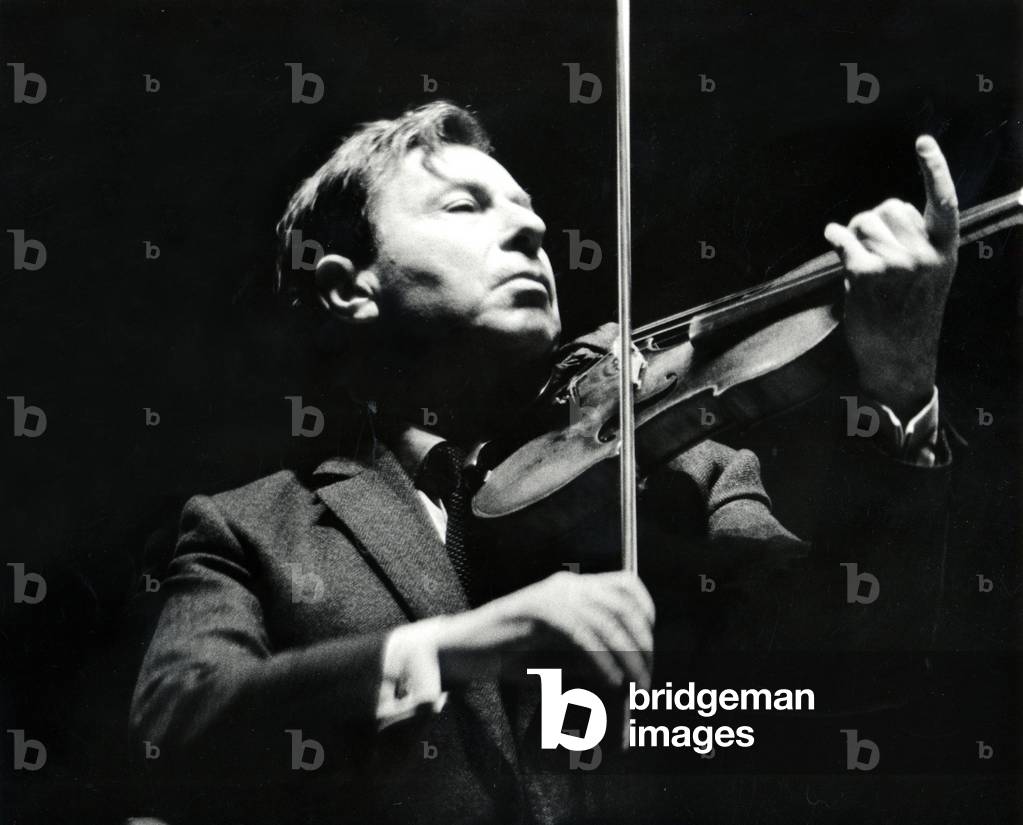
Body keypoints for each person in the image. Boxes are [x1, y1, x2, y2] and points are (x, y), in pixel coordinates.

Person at [131, 101, 960, 824]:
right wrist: (466, 641)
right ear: (349, 287)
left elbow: (856, 672)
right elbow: (174, 723)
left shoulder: (690, 468)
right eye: (464, 206)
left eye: (527, 211)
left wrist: (901, 388)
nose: (531, 231)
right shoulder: (249, 527)